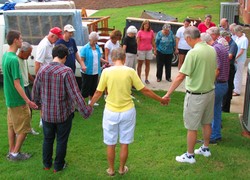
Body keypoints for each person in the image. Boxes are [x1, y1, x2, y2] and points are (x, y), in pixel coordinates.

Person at [89, 47, 168, 176]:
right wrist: (161, 99)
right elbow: (144, 90)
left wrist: (90, 105)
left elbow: (98, 92)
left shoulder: (106, 72)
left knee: (110, 143)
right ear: (124, 58)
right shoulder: (130, 71)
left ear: (112, 59)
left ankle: (111, 170)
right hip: (127, 112)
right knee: (124, 143)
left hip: (110, 112)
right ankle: (121, 169)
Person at [32, 44, 93, 173]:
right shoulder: (66, 71)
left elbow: (35, 91)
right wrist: (86, 111)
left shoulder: (42, 70)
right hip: (63, 114)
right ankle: (58, 166)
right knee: (61, 140)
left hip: (47, 114)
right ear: (64, 57)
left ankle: (47, 164)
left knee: (47, 139)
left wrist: (38, 105)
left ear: (54, 55)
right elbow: (75, 94)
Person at [163, 26, 217, 164]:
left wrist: (168, 94)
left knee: (191, 126)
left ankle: (190, 155)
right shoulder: (211, 49)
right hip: (210, 93)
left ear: (188, 38)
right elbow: (215, 70)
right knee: (207, 122)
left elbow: (180, 76)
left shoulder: (193, 53)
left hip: (196, 95)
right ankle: (205, 148)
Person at [2, 30, 38, 161]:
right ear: (15, 40)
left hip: (9, 99)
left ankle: (12, 150)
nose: (22, 41)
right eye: (21, 39)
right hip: (17, 100)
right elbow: (17, 84)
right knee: (24, 126)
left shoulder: (6, 55)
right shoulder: (14, 60)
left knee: (11, 126)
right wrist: (28, 101)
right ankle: (16, 153)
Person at [200, 33, 230, 144]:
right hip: (223, 84)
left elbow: (217, 69)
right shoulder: (220, 46)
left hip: (217, 85)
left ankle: (212, 136)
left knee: (211, 112)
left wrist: (209, 82)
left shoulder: (214, 50)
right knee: (216, 110)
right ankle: (216, 134)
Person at [35, 27, 63, 128]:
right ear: (52, 36)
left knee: (51, 96)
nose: (58, 39)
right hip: (45, 77)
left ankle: (50, 116)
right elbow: (38, 64)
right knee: (44, 98)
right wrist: (38, 80)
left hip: (51, 76)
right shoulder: (43, 46)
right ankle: (42, 120)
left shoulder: (51, 43)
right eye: (57, 37)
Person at [80, 31, 108, 106]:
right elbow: (81, 59)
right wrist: (83, 66)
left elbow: (99, 57)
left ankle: (91, 100)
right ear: (90, 39)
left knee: (93, 86)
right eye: (94, 40)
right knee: (86, 87)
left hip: (95, 70)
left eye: (96, 40)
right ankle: (82, 102)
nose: (95, 42)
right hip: (87, 71)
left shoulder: (97, 47)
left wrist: (105, 61)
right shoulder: (85, 48)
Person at [17, 42, 39, 135]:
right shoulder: (16, 61)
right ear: (22, 51)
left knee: (29, 109)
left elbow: (27, 72)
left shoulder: (24, 60)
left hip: (26, 87)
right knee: (21, 110)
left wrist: (34, 81)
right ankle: (19, 131)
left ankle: (28, 128)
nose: (30, 55)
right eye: (29, 52)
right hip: (21, 88)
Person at [221, 31, 238, 112]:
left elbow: (230, 56)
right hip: (227, 67)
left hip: (230, 68)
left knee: (228, 87)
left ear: (227, 37)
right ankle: (224, 105)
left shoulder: (233, 44)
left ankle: (225, 108)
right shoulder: (228, 44)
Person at [137, 20, 156, 84]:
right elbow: (138, 41)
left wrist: (155, 49)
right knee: (140, 64)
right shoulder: (140, 32)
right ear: (143, 25)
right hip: (141, 50)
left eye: (148, 24)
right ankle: (139, 78)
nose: (147, 25)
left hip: (149, 50)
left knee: (147, 64)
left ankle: (146, 78)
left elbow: (153, 41)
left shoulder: (151, 32)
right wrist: (137, 50)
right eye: (145, 24)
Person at [233, 25, 249, 96]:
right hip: (236, 59)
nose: (235, 34)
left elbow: (242, 50)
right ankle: (235, 88)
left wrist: (236, 57)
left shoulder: (244, 39)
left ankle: (237, 90)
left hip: (240, 60)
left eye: (236, 32)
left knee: (238, 74)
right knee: (235, 74)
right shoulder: (238, 38)